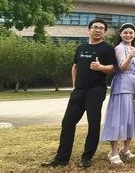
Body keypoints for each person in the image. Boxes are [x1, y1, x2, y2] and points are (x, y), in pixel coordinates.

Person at [42, 19, 116, 169]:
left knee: (93, 124)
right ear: (89, 30)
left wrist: (101, 67)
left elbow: (113, 68)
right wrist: (74, 85)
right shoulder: (81, 48)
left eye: (101, 28)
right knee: (67, 123)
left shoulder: (107, 49)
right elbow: (75, 66)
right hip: (79, 91)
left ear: (104, 32)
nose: (98, 30)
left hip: (96, 90)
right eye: (95, 27)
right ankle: (61, 158)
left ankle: (87, 158)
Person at [102, 23, 135, 165]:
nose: (128, 35)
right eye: (125, 32)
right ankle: (113, 152)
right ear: (120, 34)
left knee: (133, 117)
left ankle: (125, 148)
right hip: (122, 84)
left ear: (134, 35)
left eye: (131, 33)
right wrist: (130, 57)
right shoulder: (119, 48)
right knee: (118, 118)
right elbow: (122, 67)